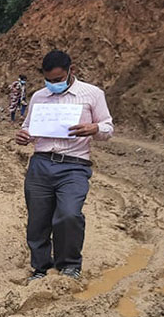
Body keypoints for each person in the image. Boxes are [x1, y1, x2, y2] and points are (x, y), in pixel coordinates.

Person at [15, 50, 113, 282]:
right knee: (38, 219)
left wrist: (94, 128)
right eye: (48, 80)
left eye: (58, 80)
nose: (53, 85)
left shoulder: (92, 94)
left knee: (69, 214)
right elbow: (29, 126)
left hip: (74, 165)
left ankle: (69, 264)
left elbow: (108, 128)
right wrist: (24, 135)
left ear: (72, 71)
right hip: (41, 163)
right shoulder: (39, 97)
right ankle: (40, 267)